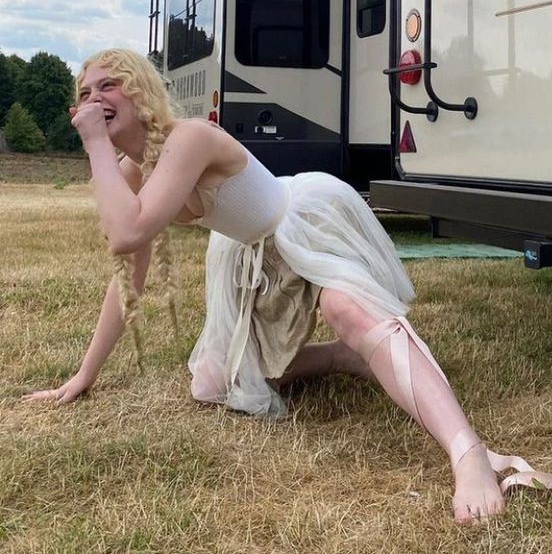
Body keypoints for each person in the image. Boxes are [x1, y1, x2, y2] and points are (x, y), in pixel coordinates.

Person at [23, 48, 504, 522]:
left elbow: (129, 228)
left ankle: (468, 453)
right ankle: (342, 356)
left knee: (345, 309)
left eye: (108, 85)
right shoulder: (131, 171)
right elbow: (127, 270)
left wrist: (94, 145)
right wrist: (83, 377)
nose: (94, 97)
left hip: (303, 223)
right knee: (213, 384)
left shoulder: (188, 138)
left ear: (139, 91)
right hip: (250, 251)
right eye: (85, 92)